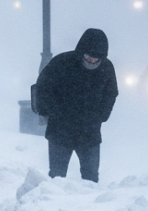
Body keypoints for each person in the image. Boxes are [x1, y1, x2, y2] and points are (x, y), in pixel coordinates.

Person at [33, 28, 118, 182]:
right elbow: (43, 88)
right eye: (89, 55)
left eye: (96, 58)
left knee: (91, 178)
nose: (91, 60)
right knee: (57, 177)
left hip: (89, 131)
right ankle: (53, 197)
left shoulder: (107, 68)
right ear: (81, 51)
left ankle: (90, 198)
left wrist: (101, 115)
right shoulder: (62, 63)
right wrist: (51, 112)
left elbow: (111, 93)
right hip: (60, 130)